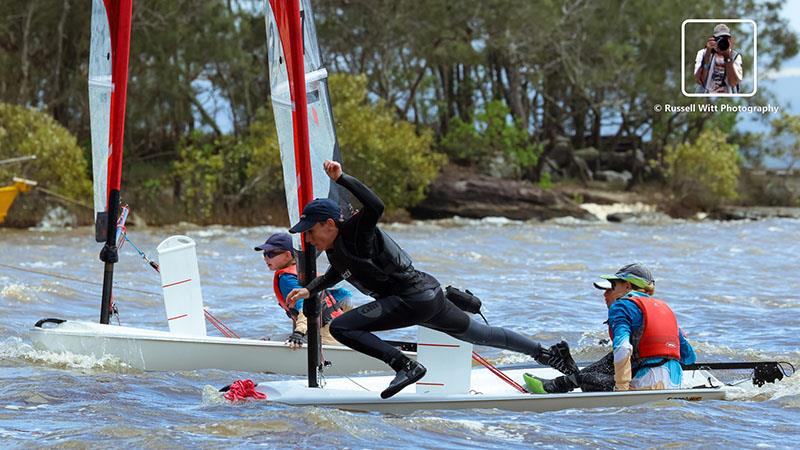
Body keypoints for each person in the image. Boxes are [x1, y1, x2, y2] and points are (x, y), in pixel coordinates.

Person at [286, 160, 578, 399]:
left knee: (341, 327)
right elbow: (338, 274)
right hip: (427, 297)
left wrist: (343, 179)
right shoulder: (336, 252)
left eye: (310, 231)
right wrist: (308, 290)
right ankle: (550, 355)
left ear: (328, 224)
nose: (307, 238)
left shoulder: (355, 231)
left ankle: (404, 365)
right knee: (480, 334)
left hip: (411, 299)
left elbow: (376, 206)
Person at [524, 263, 696, 394]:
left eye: (613, 286)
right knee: (610, 359)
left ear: (627, 287)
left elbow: (623, 348)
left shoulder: (622, 306)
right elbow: (689, 357)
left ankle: (555, 386)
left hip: (649, 384)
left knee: (586, 379)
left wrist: (621, 389)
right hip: (675, 382)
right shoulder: (664, 308)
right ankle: (569, 373)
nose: (606, 293)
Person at [255, 232, 352, 348]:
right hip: (340, 334)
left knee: (264, 342)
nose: (266, 257)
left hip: (324, 340)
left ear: (287, 255)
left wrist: (298, 333)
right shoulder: (304, 272)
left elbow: (304, 307)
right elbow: (345, 296)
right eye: (264, 253)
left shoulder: (287, 279)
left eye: (270, 253)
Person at [694, 23, 743, 94]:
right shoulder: (703, 53)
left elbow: (733, 82)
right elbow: (700, 81)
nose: (723, 42)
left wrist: (727, 58)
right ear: (713, 40)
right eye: (719, 39)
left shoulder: (735, 56)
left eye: (726, 39)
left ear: (730, 40)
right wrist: (707, 55)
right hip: (706, 99)